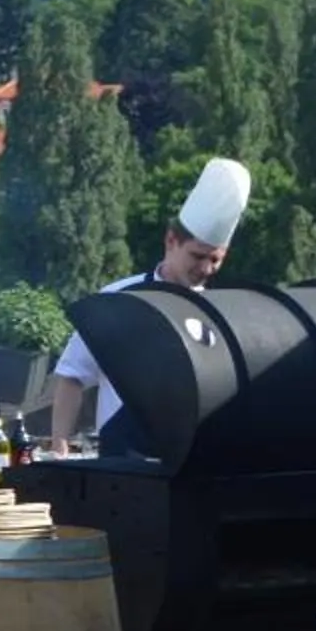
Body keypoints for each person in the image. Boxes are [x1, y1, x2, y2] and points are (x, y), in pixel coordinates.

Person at [48, 156, 249, 456]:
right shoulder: (118, 300)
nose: (206, 269)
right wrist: (59, 443)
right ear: (171, 241)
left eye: (215, 259)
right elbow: (72, 374)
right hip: (123, 460)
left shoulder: (218, 313)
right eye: (197, 256)